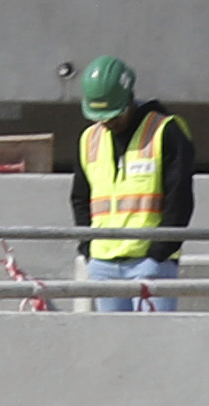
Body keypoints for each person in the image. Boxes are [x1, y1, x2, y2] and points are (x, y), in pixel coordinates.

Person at [76, 53, 195, 309]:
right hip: (104, 265)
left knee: (154, 345)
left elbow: (180, 199)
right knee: (114, 347)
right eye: (101, 117)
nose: (107, 123)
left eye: (114, 115)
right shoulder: (89, 140)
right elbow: (80, 198)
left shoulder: (165, 131)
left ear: (129, 98)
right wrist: (88, 249)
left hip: (151, 263)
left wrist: (158, 255)